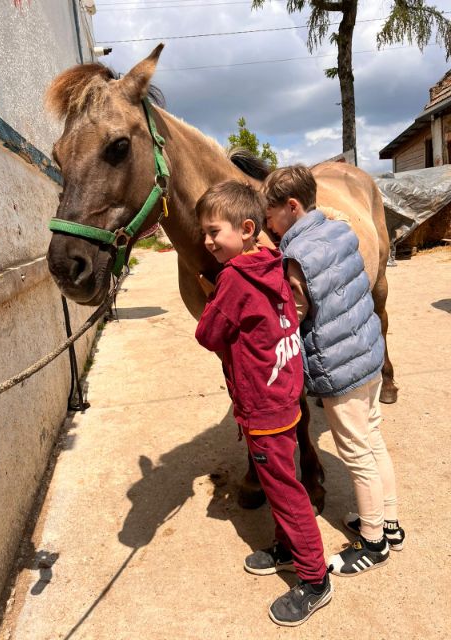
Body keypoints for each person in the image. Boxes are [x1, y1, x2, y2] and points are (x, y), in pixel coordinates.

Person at [194, 180, 332, 627]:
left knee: (285, 492)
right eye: (203, 233)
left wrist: (212, 294)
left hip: (264, 407)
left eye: (214, 231)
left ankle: (314, 578)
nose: (207, 241)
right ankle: (287, 548)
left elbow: (207, 334)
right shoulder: (272, 262)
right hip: (286, 396)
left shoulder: (234, 278)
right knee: (280, 482)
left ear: (247, 228)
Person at [262, 164, 405, 578]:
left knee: (356, 453)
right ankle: (389, 524)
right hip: (368, 355)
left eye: (271, 216)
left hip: (340, 369)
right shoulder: (341, 229)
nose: (269, 227)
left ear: (292, 207)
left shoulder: (295, 259)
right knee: (372, 438)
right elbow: (336, 222)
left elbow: (293, 314)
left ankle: (373, 543)